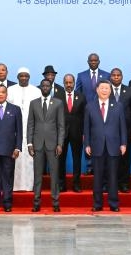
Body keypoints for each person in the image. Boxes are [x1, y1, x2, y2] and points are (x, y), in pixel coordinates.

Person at [85, 80, 127, 212]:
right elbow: (86, 127)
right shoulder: (90, 106)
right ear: (97, 90)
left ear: (110, 91)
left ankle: (113, 204)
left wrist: (123, 143)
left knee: (113, 176)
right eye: (102, 88)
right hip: (96, 146)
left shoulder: (118, 106)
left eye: (107, 88)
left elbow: (122, 126)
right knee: (97, 177)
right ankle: (97, 204)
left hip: (113, 145)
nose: (104, 90)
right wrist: (87, 144)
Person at [27, 79, 66, 212]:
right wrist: (29, 143)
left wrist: (60, 143)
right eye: (43, 85)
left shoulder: (58, 103)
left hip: (53, 144)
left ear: (51, 87)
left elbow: (61, 126)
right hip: (37, 144)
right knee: (37, 175)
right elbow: (30, 124)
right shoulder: (33, 103)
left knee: (54, 175)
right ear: (40, 87)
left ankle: (55, 202)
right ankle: (36, 202)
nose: (45, 87)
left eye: (47, 85)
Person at [7, 68, 40, 191]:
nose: (24, 78)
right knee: (15, 158)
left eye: (26, 76)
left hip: (31, 129)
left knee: (29, 158)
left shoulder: (36, 91)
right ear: (17, 77)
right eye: (21, 76)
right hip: (14, 129)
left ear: (29, 77)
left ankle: (29, 185)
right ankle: (15, 186)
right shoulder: (10, 90)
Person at [109, 68, 131, 192]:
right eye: (114, 75)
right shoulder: (105, 90)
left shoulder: (130, 91)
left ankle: (124, 183)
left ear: (122, 76)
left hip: (126, 130)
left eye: (118, 75)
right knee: (111, 157)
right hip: (109, 131)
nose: (116, 77)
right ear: (110, 77)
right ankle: (111, 183)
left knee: (125, 158)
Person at [58, 74, 87, 193]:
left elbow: (85, 116)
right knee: (61, 159)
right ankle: (61, 184)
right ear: (64, 83)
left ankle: (76, 184)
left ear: (74, 83)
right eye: (67, 83)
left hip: (77, 133)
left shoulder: (81, 97)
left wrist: (85, 132)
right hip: (61, 134)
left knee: (77, 159)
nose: (69, 85)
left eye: (71, 82)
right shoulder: (57, 96)